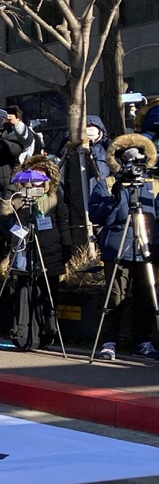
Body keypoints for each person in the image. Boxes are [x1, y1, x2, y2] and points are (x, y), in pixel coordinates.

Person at [89, 133, 159, 361]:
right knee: (115, 296)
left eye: (138, 158)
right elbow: (97, 215)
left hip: (147, 247)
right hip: (117, 247)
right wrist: (116, 196)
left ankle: (143, 341)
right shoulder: (108, 183)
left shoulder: (153, 183)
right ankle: (109, 341)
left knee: (146, 296)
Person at [0, 155, 72, 350]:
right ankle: (23, 334)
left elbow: (62, 220)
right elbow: (3, 218)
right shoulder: (17, 194)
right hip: (24, 250)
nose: (37, 176)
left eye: (42, 172)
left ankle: (48, 332)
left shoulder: (54, 194)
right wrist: (11, 194)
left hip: (50, 250)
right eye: (34, 171)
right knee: (24, 291)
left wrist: (66, 245)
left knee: (47, 292)